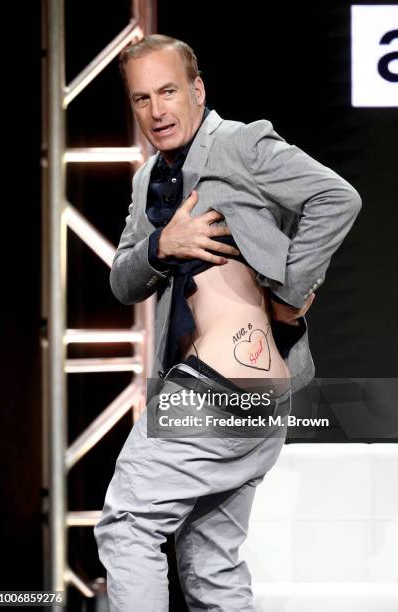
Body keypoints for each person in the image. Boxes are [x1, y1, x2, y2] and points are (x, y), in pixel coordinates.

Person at [94, 35, 361, 612]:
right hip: (239, 392)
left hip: (222, 381)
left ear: (197, 90)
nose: (157, 110)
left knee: (128, 523)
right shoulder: (145, 182)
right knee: (211, 563)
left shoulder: (241, 143)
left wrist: (291, 292)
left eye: (168, 91)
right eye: (142, 99)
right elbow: (121, 281)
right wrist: (163, 246)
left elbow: (336, 198)